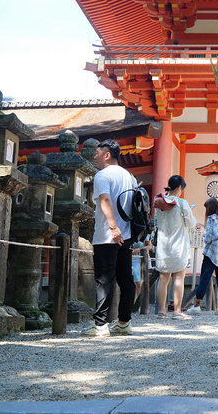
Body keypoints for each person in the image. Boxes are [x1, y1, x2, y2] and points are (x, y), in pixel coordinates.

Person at [82, 139, 138, 337]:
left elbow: (104, 199)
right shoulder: (129, 175)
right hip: (128, 235)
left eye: (97, 153)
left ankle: (100, 325)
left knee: (104, 280)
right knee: (125, 279)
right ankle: (124, 322)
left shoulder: (102, 175)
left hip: (108, 235)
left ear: (107, 155)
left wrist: (113, 228)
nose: (95, 156)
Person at [153, 174, 196, 319]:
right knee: (179, 278)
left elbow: (156, 223)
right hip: (179, 245)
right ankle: (177, 311)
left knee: (163, 278)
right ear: (179, 188)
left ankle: (161, 310)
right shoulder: (182, 204)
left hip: (163, 246)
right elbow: (191, 223)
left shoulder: (159, 202)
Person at [186, 198, 218, 316]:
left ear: (210, 208)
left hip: (212, 253)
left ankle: (197, 305)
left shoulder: (211, 218)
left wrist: (205, 235)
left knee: (204, 278)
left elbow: (214, 235)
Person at [131, 241, 145, 307]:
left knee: (138, 283)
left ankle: (138, 304)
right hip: (127, 256)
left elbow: (149, 246)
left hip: (138, 259)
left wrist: (139, 250)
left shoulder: (145, 234)